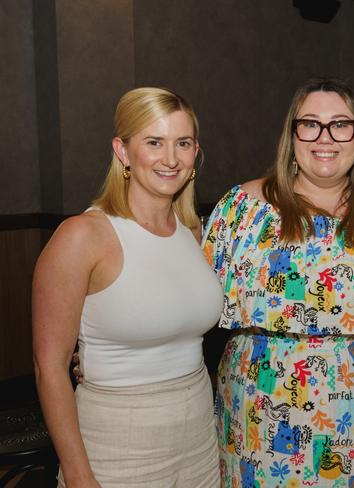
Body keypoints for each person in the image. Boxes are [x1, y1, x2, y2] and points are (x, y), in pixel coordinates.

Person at [201, 78, 354, 487]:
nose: (325, 137)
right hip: (259, 423)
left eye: (340, 124)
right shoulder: (242, 212)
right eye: (310, 124)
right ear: (292, 134)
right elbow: (189, 307)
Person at [32, 87, 223, 487]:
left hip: (199, 434)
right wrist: (79, 475)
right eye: (154, 142)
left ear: (195, 152)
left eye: (182, 143)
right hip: (118, 440)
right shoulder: (82, 236)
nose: (170, 159)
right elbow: (49, 366)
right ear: (123, 151)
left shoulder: (193, 231)